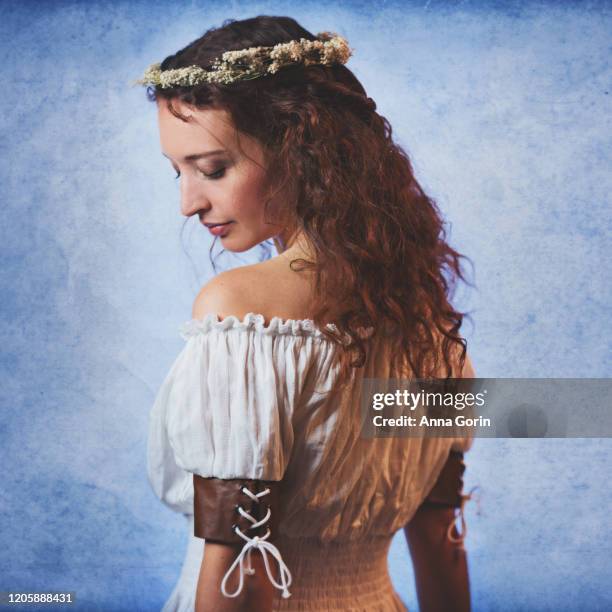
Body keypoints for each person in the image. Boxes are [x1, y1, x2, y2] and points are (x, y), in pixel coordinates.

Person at [136, 15, 478, 612]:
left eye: (212, 168)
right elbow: (442, 544)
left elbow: (241, 570)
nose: (189, 203)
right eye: (178, 172)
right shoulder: (432, 331)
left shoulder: (239, 314)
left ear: (301, 150)